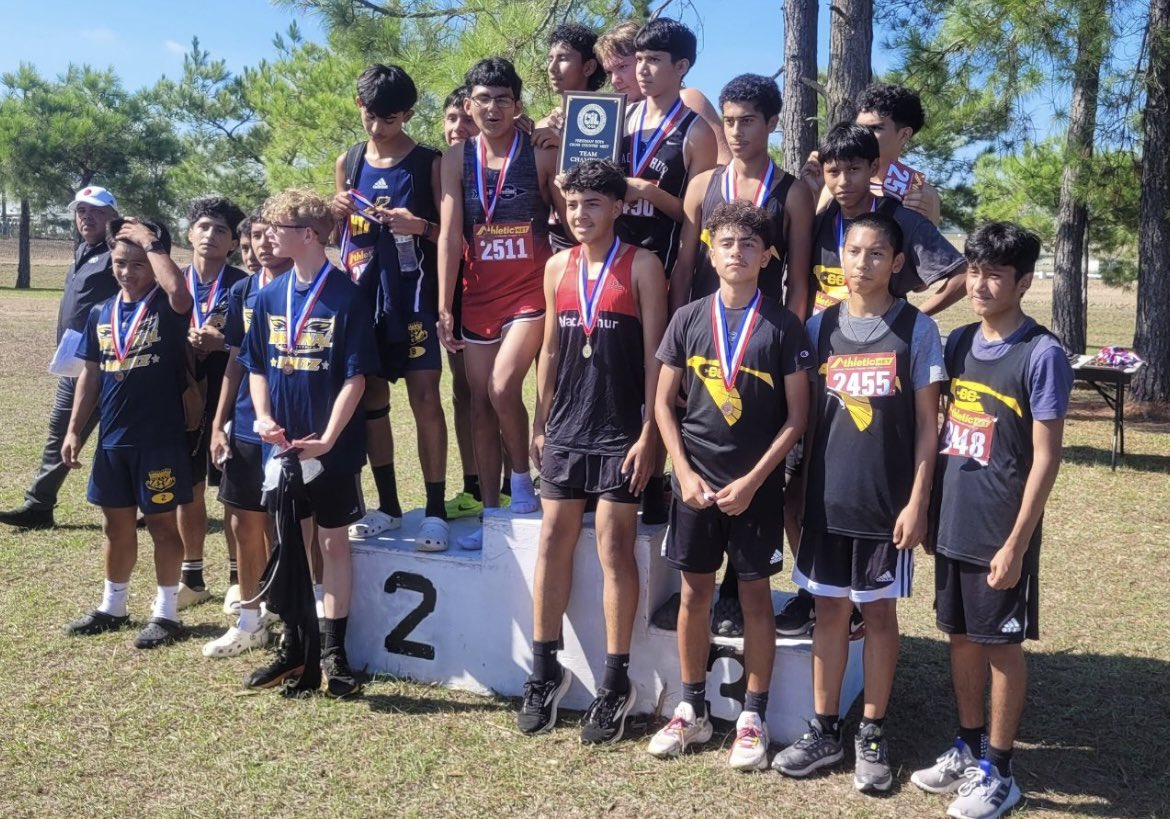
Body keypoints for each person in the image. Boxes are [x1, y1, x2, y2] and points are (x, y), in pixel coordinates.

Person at [772, 212, 944, 793]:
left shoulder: (917, 330)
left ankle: (871, 730)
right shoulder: (819, 328)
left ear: (897, 263)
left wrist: (917, 501)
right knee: (827, 612)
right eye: (852, 251)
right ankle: (824, 730)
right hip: (826, 502)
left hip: (884, 507)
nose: (861, 263)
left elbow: (928, 427)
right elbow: (804, 421)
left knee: (877, 615)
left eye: (876, 254)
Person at [911, 223, 1073, 819]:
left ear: (1023, 282)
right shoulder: (955, 345)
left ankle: (1002, 772)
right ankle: (969, 745)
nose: (979, 285)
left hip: (1001, 531)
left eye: (994, 275)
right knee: (959, 636)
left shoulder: (1042, 354)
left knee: (1000, 647)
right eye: (974, 271)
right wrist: (929, 511)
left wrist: (1018, 542)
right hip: (954, 520)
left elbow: (1047, 458)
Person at [649, 201, 810, 768]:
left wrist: (754, 480)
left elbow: (796, 418)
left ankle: (752, 716)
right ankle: (691, 710)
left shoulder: (783, 325)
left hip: (755, 489)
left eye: (749, 245)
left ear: (767, 257)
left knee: (754, 598)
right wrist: (684, 473)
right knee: (694, 594)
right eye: (726, 243)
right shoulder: (689, 318)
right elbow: (664, 405)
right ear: (711, 252)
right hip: (695, 486)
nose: (737, 253)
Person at [519, 160, 666, 742]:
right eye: (573, 205)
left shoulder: (644, 266)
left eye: (594, 204)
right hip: (567, 428)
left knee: (613, 544)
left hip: (620, 431)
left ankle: (614, 681)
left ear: (618, 207)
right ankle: (543, 669)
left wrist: (650, 433)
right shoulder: (558, 265)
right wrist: (540, 420)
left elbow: (659, 356)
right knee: (552, 537)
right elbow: (551, 350)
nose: (581, 215)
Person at [238, 189, 379, 697]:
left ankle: (335, 653)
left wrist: (328, 439)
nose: (268, 236)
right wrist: (261, 418)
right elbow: (255, 365)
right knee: (291, 545)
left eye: (280, 227)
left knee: (332, 542)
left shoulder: (347, 295)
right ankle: (295, 645)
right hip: (282, 445)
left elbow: (356, 377)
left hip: (330, 446)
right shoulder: (269, 294)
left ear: (310, 235)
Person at [437, 57, 562, 551]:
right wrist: (445, 303)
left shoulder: (537, 152)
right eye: (482, 99)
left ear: (517, 104)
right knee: (479, 407)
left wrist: (559, 168)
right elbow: (449, 233)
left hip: (530, 289)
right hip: (477, 294)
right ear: (469, 105)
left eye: (502, 99)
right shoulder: (455, 158)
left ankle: (522, 486)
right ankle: (491, 515)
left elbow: (569, 221)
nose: (492, 108)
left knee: (502, 385)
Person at [60, 217, 195, 649]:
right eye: (121, 262)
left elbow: (181, 293)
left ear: (154, 264)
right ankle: (113, 606)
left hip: (158, 439)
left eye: (138, 263)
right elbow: (90, 377)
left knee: (160, 526)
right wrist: (75, 430)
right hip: (113, 440)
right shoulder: (102, 312)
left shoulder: (165, 306)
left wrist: (151, 243)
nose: (127, 271)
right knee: (115, 527)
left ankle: (167, 614)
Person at [333, 64, 450, 550]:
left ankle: (437, 511)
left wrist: (419, 226)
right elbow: (339, 239)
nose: (379, 128)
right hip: (364, 299)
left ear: (408, 113)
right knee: (373, 402)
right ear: (359, 105)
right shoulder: (350, 160)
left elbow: (451, 237)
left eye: (392, 119)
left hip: (414, 296)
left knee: (425, 398)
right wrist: (332, 214)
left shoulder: (430, 162)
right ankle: (388, 507)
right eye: (372, 116)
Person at [617, 17, 718, 526]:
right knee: (618, 372)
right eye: (639, 59)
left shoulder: (695, 131)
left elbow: (700, 215)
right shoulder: (622, 117)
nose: (644, 68)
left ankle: (656, 484)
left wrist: (650, 192)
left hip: (663, 267)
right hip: (615, 266)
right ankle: (618, 474)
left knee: (661, 379)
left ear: (682, 67)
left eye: (655, 60)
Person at [202, 212, 294, 658]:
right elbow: (235, 362)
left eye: (270, 236)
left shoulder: (309, 287)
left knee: (291, 525)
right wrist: (219, 422)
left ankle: (293, 612)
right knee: (244, 520)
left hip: (293, 427)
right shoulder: (242, 291)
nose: (263, 245)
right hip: (245, 425)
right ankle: (251, 618)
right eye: (254, 237)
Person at [0, 187, 119, 530]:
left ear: (113, 215)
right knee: (62, 430)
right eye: (81, 211)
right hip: (75, 363)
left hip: (109, 364)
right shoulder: (84, 251)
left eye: (95, 211)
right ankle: (39, 506)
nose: (86, 217)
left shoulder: (117, 254)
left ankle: (145, 505)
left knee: (116, 436)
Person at [672, 73, 812, 316]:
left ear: (772, 123)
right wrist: (678, 332)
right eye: (729, 121)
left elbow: (798, 282)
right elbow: (683, 270)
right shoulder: (701, 186)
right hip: (705, 328)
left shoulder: (794, 193)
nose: (736, 132)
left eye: (747, 121)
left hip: (764, 329)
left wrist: (790, 342)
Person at [177, 197, 247, 611]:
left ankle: (240, 577)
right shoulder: (172, 283)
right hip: (185, 393)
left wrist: (222, 342)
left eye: (221, 230)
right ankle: (193, 577)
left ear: (234, 242)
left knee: (234, 493)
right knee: (190, 487)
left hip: (231, 393)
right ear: (189, 233)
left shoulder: (243, 284)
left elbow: (253, 342)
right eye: (203, 227)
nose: (210, 236)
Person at [438, 86, 498, 521]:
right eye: (451, 119)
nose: (458, 127)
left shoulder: (505, 160)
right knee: (464, 392)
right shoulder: (443, 164)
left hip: (504, 284)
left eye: (467, 120)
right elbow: (442, 234)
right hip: (455, 289)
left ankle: (515, 479)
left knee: (500, 390)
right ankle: (473, 483)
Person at [802, 83, 942, 225]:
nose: (863, 134)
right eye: (859, 127)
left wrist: (925, 218)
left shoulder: (923, 193)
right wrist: (813, 193)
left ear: (904, 134)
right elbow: (815, 239)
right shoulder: (835, 184)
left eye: (874, 128)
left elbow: (929, 245)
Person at [596, 21, 730, 164]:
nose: (615, 80)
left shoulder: (688, 98)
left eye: (622, 67)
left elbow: (723, 163)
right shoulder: (619, 114)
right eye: (609, 72)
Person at [536, 23, 605, 252]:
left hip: (603, 244)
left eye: (563, 58)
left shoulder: (613, 119)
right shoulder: (543, 126)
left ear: (588, 67)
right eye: (550, 58)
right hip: (555, 249)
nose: (552, 68)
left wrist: (567, 146)